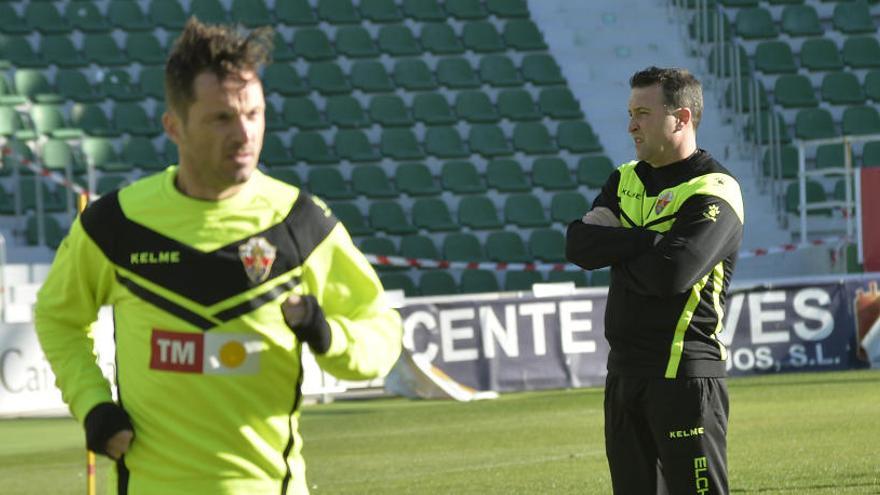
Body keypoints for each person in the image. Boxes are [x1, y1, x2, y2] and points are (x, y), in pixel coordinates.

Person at [34, 19, 402, 495]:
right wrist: (94, 405)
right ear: (174, 127)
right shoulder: (116, 226)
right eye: (221, 118)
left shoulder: (301, 224)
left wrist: (327, 334)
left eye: (254, 114)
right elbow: (58, 318)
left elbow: (381, 332)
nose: (244, 134)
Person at [566, 66, 743, 494]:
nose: (630, 125)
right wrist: (650, 239)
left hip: (684, 377)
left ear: (681, 118)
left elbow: (671, 274)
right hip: (623, 376)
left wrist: (618, 245)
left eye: (642, 113)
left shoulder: (715, 189)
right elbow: (580, 246)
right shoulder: (624, 179)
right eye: (630, 113)